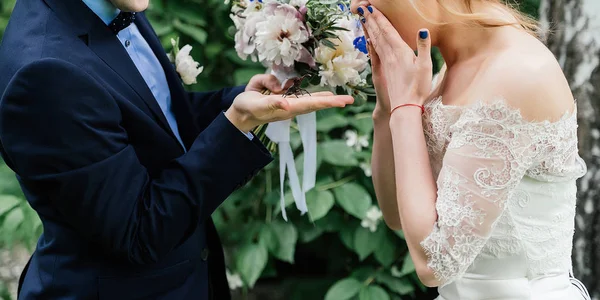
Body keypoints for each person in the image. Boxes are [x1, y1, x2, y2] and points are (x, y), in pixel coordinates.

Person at [0, 0, 353, 299]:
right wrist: (235, 126)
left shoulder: (115, 6)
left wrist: (240, 101)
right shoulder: (45, 74)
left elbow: (156, 121)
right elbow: (138, 232)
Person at [351, 0, 591, 299]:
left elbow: (434, 264)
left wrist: (406, 109)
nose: (355, 7)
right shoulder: (446, 72)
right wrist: (388, 109)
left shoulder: (517, 72)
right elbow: (396, 216)